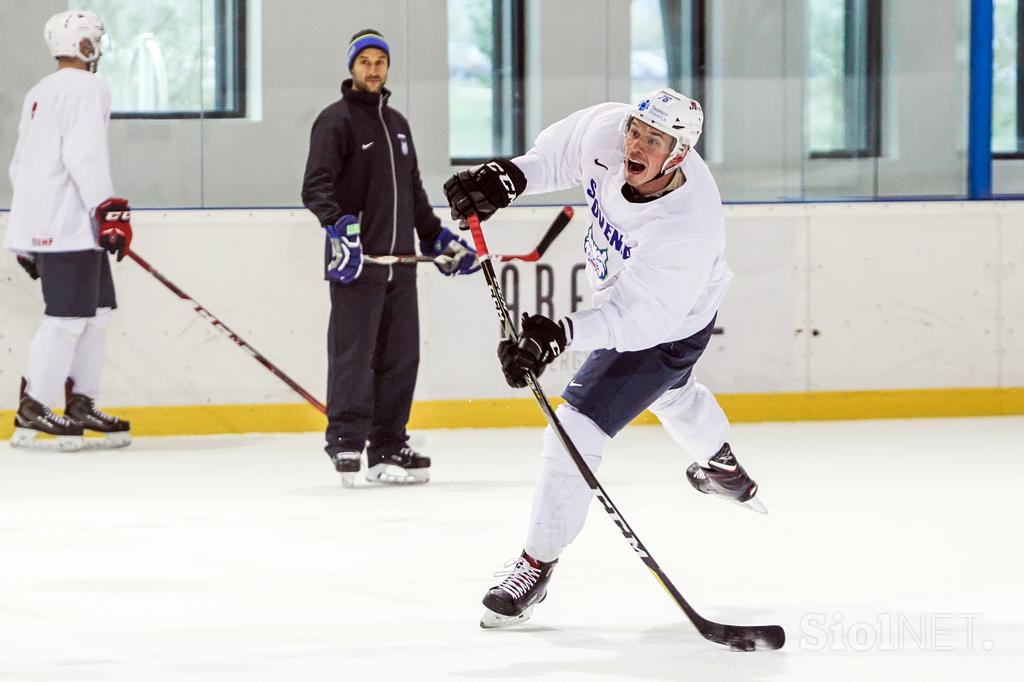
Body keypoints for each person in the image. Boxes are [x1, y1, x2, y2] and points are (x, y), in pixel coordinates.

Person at [444, 88, 766, 628]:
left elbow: (638, 323)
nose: (635, 144)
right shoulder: (609, 132)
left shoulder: (689, 228)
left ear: (679, 153)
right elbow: (556, 157)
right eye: (635, 131)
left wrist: (558, 334)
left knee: (574, 428)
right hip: (639, 306)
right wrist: (510, 178)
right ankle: (723, 464)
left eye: (653, 140)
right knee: (671, 392)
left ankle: (535, 564)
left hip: (668, 326)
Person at [302, 29, 479, 487]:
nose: (374, 69)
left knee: (401, 358)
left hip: (400, 264)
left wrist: (438, 238)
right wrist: (339, 224)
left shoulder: (398, 123)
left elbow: (414, 194)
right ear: (352, 67)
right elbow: (315, 187)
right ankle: (345, 441)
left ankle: (388, 444)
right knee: (353, 356)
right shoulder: (335, 121)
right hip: (357, 263)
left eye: (380, 61)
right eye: (365, 61)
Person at [6, 9, 132, 452]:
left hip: (63, 225)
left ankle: (81, 403)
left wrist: (26, 234)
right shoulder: (88, 87)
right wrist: (109, 211)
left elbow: (20, 164)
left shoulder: (42, 90)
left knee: (95, 316)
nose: (98, 47)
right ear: (84, 44)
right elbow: (85, 156)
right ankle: (35, 405)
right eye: (95, 39)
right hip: (71, 223)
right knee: (66, 320)